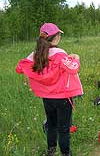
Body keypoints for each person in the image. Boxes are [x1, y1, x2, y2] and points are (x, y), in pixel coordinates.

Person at [16, 23, 83, 156]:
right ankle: (65, 153)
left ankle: (50, 151)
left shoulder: (36, 55)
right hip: (63, 97)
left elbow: (19, 67)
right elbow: (73, 68)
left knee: (51, 125)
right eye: (59, 35)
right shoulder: (59, 54)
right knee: (64, 129)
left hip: (47, 97)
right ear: (56, 37)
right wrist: (76, 58)